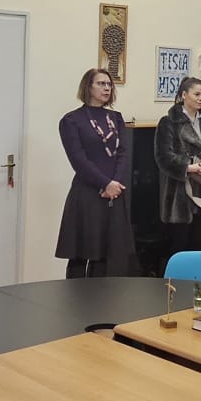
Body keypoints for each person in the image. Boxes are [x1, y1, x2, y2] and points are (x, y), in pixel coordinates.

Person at [56, 68, 136, 278]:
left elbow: (123, 153)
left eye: (109, 84)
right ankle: (76, 295)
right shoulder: (72, 120)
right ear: (88, 87)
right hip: (88, 192)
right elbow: (78, 159)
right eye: (101, 84)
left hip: (114, 193)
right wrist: (105, 183)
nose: (107, 88)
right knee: (81, 252)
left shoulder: (115, 118)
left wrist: (115, 183)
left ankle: (100, 296)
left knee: (107, 253)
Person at [155, 76, 201, 258]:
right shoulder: (168, 122)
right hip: (180, 194)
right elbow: (163, 157)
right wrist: (190, 167)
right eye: (197, 94)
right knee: (180, 247)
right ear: (183, 95)